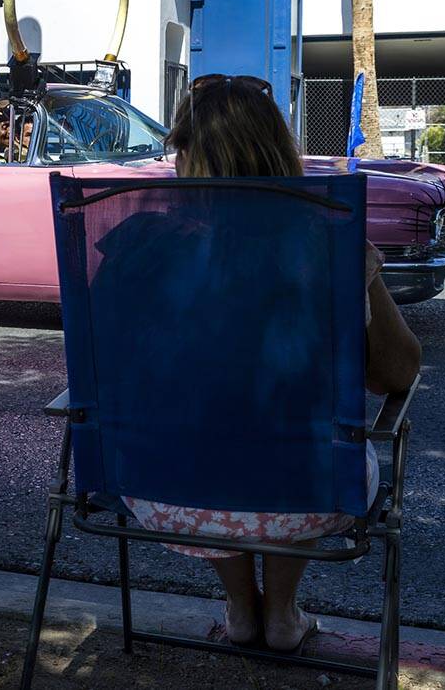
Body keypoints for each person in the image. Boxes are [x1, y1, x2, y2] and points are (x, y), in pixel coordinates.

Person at [118, 74, 422, 653]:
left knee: (210, 438)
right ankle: (281, 614)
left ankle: (240, 608)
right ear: (278, 154)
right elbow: (396, 374)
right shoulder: (326, 247)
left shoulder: (138, 244)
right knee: (298, 445)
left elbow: (115, 374)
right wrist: (368, 273)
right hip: (306, 494)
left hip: (167, 490)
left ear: (188, 157)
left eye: (177, 147)